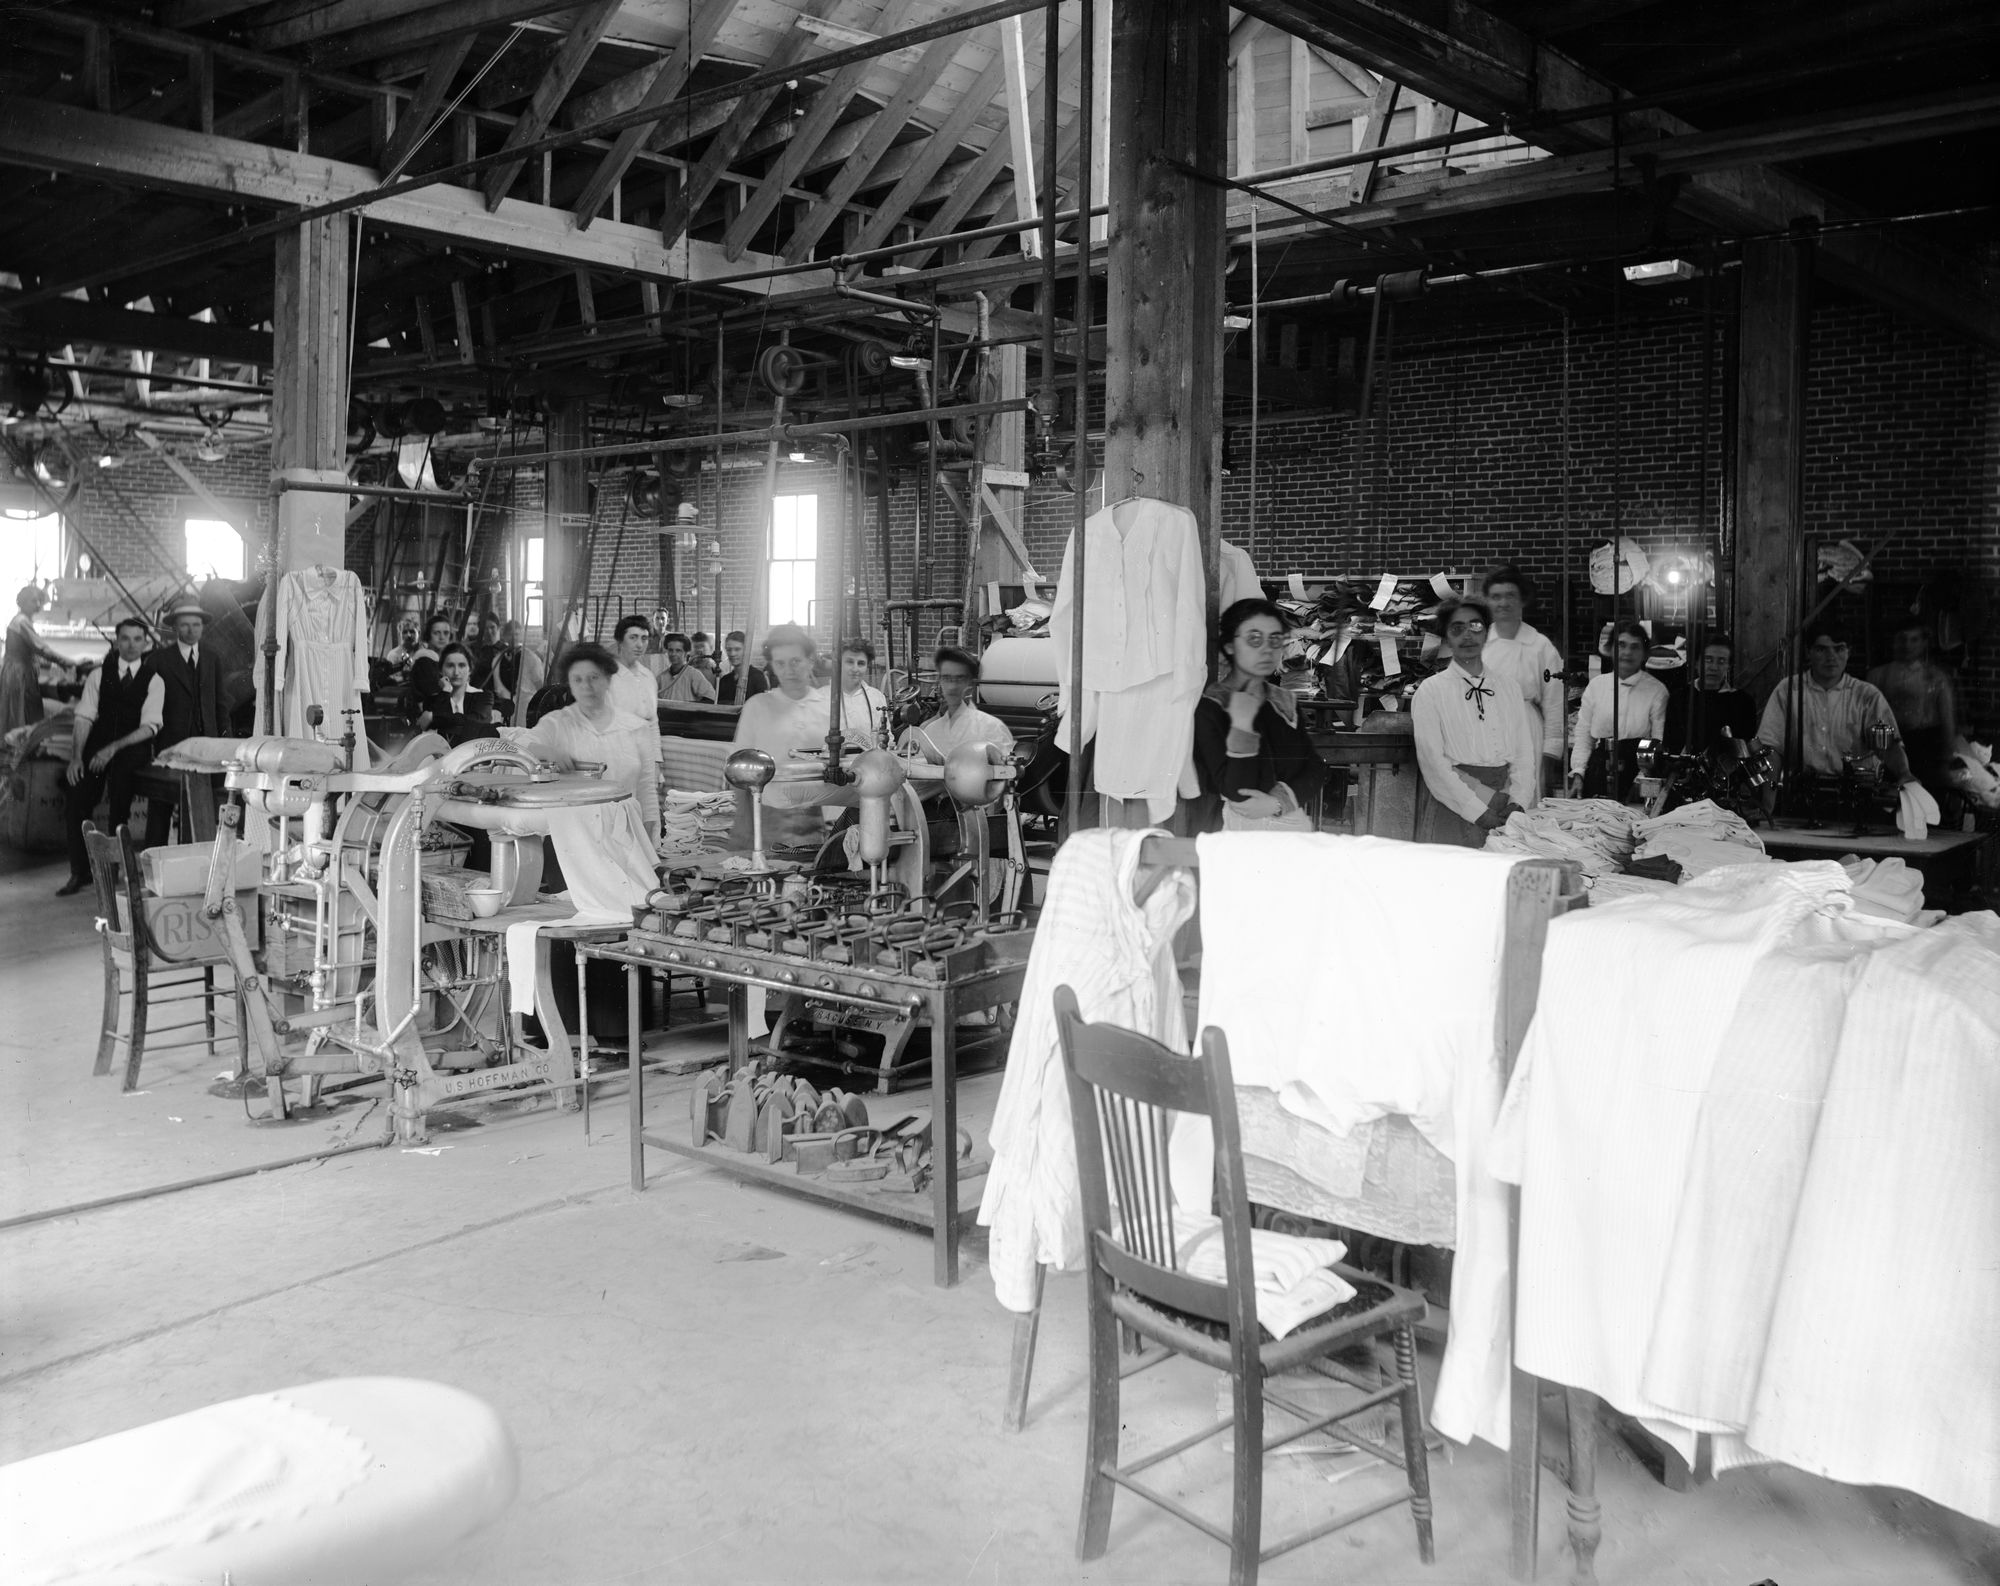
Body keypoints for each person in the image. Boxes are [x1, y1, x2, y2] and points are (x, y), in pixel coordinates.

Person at [1189, 598, 1328, 833]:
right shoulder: (1211, 707)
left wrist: (1277, 802)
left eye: (1275, 640)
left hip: (1292, 825)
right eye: (1254, 639)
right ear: (1230, 646)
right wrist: (1242, 726)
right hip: (1240, 831)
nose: (1267, 649)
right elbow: (1238, 791)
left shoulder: (1284, 700)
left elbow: (1315, 768)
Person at [1412, 595, 1539, 847]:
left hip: (1505, 807)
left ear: (1487, 631)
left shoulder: (1509, 687)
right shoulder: (1431, 691)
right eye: (1457, 628)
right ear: (1446, 637)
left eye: (1476, 626)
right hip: (1454, 807)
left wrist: (1518, 802)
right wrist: (1477, 812)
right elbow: (1433, 764)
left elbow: (1524, 753)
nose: (1467, 635)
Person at [507, 642, 660, 842]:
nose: (586, 686)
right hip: (574, 838)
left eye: (593, 677)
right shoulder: (557, 724)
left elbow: (647, 793)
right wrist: (547, 751)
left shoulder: (636, 728)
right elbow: (515, 746)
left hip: (626, 837)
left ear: (608, 679)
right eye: (577, 679)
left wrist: (648, 844)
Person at [58, 617, 163, 896]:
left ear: (146, 643)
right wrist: (76, 757)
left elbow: (149, 727)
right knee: (77, 796)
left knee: (120, 800)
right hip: (98, 744)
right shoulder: (97, 675)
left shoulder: (154, 680)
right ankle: (79, 872)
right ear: (117, 641)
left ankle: (118, 870)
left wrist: (113, 749)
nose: (131, 645)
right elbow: (84, 717)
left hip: (131, 747)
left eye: (137, 639)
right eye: (125, 638)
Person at [1757, 622, 1911, 784]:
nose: (1831, 657)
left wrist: (1904, 773)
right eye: (1821, 650)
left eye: (1839, 649)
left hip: (1856, 788)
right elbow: (1770, 745)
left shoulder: (1867, 695)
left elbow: (1890, 745)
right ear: (1808, 652)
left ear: (1848, 652)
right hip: (1802, 787)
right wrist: (1769, 790)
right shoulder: (1788, 690)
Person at [728, 623, 830, 851]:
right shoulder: (758, 706)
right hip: (768, 817)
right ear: (772, 666)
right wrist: (744, 827)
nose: (789, 670)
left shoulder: (828, 708)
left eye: (795, 661)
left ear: (810, 660)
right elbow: (740, 774)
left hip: (820, 820)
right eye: (780, 663)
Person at [146, 597, 233, 845]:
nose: (191, 630)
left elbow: (220, 705)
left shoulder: (212, 659)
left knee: (201, 807)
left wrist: (225, 744)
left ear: (202, 627)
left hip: (206, 749)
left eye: (196, 625)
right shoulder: (159, 660)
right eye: (185, 625)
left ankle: (193, 859)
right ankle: (153, 858)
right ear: (175, 627)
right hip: (170, 746)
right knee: (161, 806)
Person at [1480, 565, 1566, 790]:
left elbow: (1555, 703)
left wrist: (1551, 751)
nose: (1503, 603)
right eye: (1496, 597)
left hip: (1526, 733)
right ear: (1488, 601)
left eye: (1510, 595)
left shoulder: (1540, 647)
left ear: (1522, 600)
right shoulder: (1478, 643)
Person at [1568, 620, 1669, 799]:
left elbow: (1656, 738)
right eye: (1621, 645)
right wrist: (1578, 772)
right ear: (1611, 649)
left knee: (1637, 814)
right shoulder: (1596, 686)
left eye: (1635, 647)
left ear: (1644, 653)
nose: (1627, 652)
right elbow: (1584, 734)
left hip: (1639, 768)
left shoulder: (1657, 690)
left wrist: (1644, 783)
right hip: (1599, 767)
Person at [1868, 619, 1956, 785]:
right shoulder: (1877, 676)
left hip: (1925, 749)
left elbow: (1947, 722)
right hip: (1889, 746)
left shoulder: (1936, 678)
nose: (1907, 645)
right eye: (1902, 639)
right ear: (1894, 641)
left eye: (1914, 640)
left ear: (1923, 643)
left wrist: (1946, 761)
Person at [898, 646, 1015, 765]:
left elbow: (1006, 772)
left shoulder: (991, 728)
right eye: (946, 678)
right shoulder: (930, 731)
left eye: (958, 679)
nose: (950, 687)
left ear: (970, 686)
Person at [1666, 633, 1758, 753]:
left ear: (1729, 666)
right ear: (1696, 662)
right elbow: (1671, 744)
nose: (1714, 667)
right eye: (1708, 660)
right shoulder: (1679, 698)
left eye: (1721, 661)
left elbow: (1744, 748)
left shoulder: (1743, 703)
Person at [2, 584, 70, 735]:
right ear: (22, 602)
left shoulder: (22, 620)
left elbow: (31, 650)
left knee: (23, 710)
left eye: (40, 600)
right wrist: (68, 662)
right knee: (21, 712)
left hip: (19, 671)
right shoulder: (22, 622)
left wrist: (49, 663)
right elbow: (42, 649)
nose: (38, 604)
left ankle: (23, 742)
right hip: (18, 673)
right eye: (33, 601)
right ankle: (21, 744)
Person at [412, 643, 498, 748]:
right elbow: (437, 732)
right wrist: (445, 691)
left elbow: (473, 723)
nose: (456, 672)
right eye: (450, 666)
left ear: (470, 670)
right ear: (441, 670)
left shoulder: (483, 697)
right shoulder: (433, 700)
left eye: (462, 665)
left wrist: (433, 717)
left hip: (474, 753)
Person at [487, 620, 546, 726]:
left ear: (521, 636)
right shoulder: (497, 659)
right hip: (505, 709)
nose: (513, 638)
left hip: (525, 709)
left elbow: (540, 686)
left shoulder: (530, 658)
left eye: (516, 634)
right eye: (510, 634)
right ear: (504, 636)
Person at [836, 637, 887, 745]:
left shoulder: (877, 697)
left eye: (861, 663)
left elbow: (887, 739)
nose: (855, 669)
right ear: (839, 663)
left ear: (867, 666)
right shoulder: (824, 697)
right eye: (849, 662)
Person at [656, 631, 717, 704]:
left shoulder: (694, 675)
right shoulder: (661, 678)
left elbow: (711, 697)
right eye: (670, 650)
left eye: (678, 650)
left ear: (686, 652)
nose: (673, 654)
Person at [715, 629, 769, 705]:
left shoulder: (757, 677)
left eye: (737, 649)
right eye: (729, 650)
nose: (732, 654)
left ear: (746, 650)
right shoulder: (724, 680)